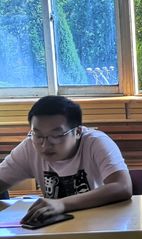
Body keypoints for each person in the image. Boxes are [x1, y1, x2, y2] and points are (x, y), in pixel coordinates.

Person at [0, 96, 132, 224]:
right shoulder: (29, 147)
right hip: (55, 227)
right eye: (38, 135)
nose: (45, 145)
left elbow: (123, 186)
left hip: (101, 222)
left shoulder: (96, 143)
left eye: (56, 135)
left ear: (77, 132)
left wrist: (61, 204)